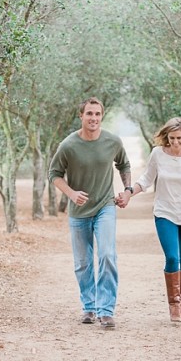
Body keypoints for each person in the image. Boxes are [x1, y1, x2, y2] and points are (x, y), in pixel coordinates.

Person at [117, 117, 181, 322]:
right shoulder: (158, 154)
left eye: (179, 138)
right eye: (171, 138)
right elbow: (145, 180)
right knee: (172, 257)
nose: (175, 142)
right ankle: (174, 305)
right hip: (165, 212)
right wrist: (128, 193)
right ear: (166, 137)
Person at [49, 97, 132, 330]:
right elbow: (54, 174)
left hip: (105, 206)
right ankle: (89, 306)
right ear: (81, 116)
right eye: (89, 114)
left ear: (102, 116)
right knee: (83, 263)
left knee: (107, 255)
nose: (93, 118)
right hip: (78, 212)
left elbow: (124, 165)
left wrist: (126, 190)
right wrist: (71, 193)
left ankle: (106, 311)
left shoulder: (112, 141)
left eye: (97, 114)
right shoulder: (68, 145)